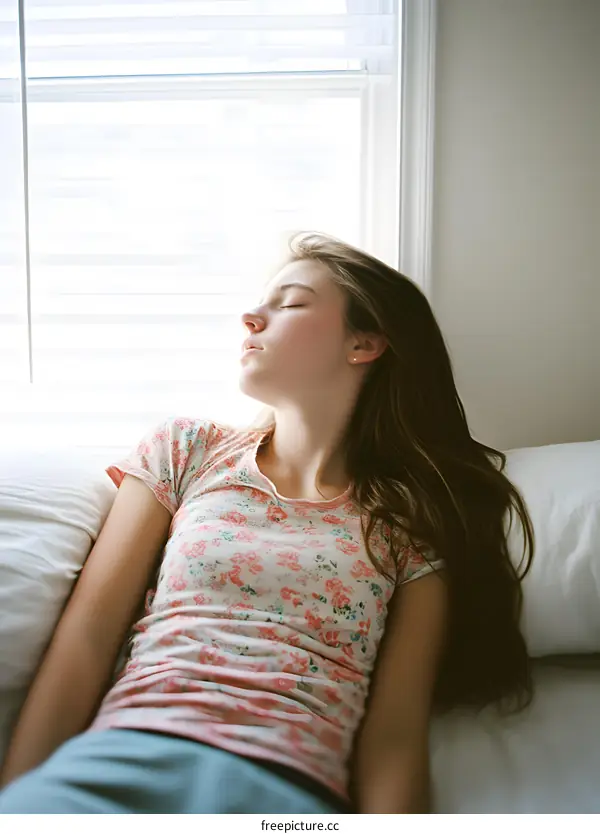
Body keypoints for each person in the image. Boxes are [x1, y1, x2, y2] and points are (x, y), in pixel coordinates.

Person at [0, 233, 535, 814]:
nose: (251, 317)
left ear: (364, 343)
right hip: (117, 764)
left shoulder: (406, 526)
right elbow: (84, 640)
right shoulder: (185, 451)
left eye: (292, 302)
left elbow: (394, 735)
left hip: (286, 800)